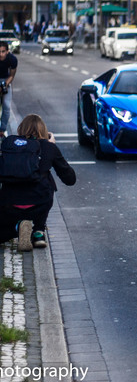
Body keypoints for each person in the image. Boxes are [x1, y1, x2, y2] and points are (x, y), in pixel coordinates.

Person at [0, 114, 76, 251]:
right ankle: (38, 232)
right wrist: (51, 147)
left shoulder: (9, 147)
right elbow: (70, 179)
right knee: (46, 179)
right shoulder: (48, 147)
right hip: (38, 205)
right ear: (44, 131)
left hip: (8, 205)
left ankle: (18, 228)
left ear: (20, 129)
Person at [0, 41, 18, 140]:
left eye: (3, 52)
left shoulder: (12, 59)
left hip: (6, 80)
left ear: (7, 51)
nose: (1, 54)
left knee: (6, 105)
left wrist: (4, 85)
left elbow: (12, 75)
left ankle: (2, 130)